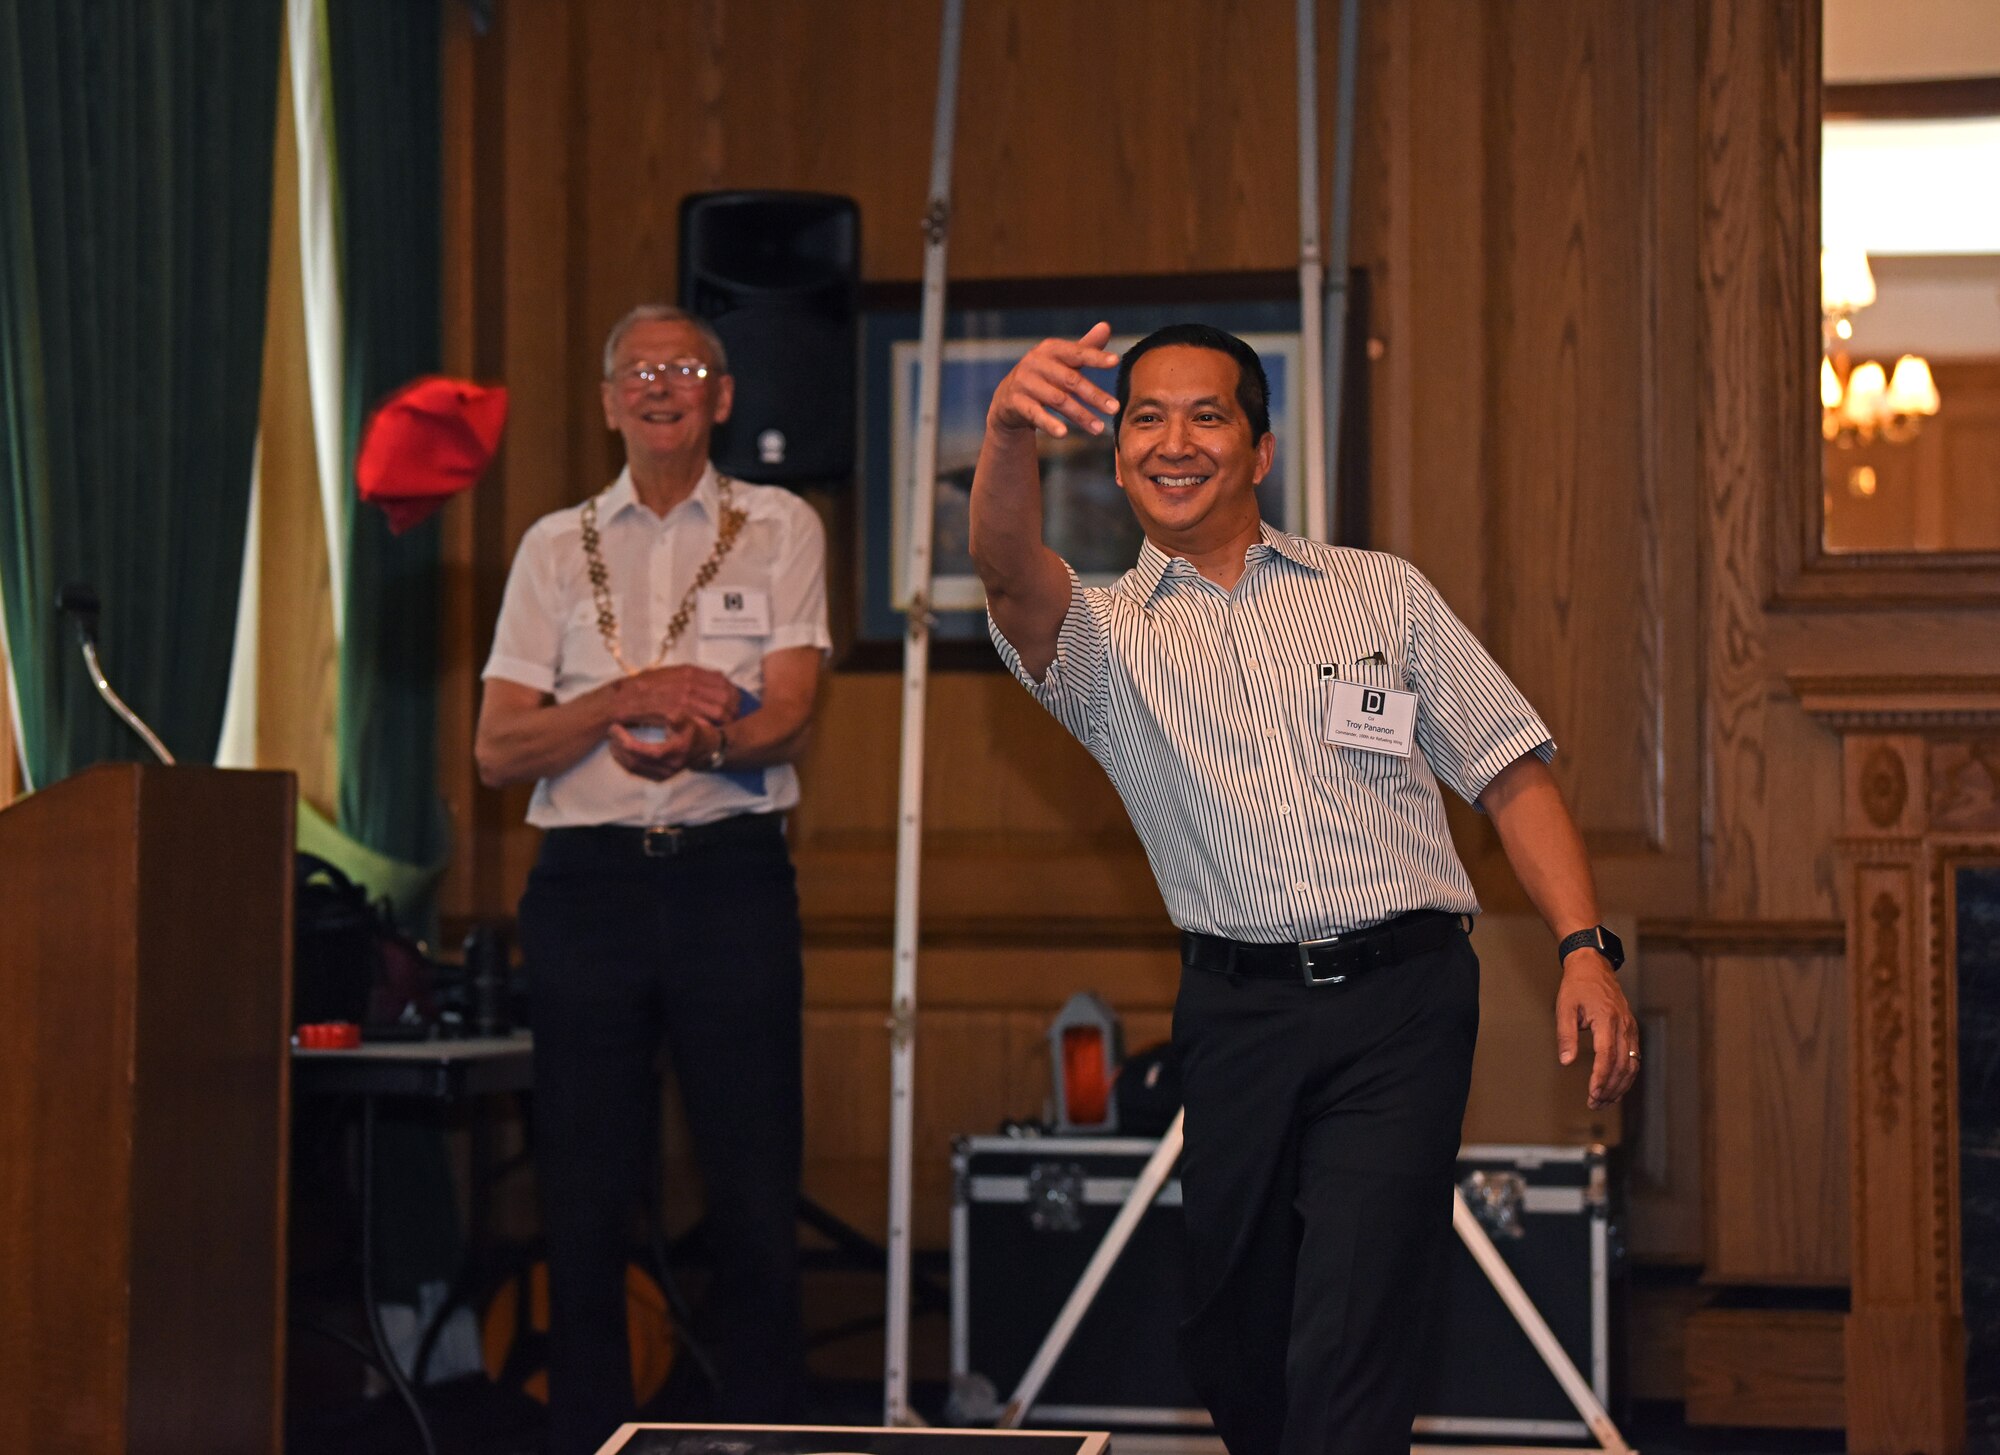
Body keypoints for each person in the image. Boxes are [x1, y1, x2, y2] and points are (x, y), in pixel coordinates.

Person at [969, 321, 1639, 1455]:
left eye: (1206, 414)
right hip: (1238, 1016)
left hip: (1402, 1002)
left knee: (1351, 1329)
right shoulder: (1095, 634)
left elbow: (1511, 778)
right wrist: (1002, 431)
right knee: (1235, 1329)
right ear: (1118, 453)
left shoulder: (1380, 595)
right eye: (1144, 417)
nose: (1173, 441)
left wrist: (1583, 948)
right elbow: (1002, 566)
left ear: (1259, 450)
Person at [475, 303, 828, 1454]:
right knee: (581, 1189)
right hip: (585, 893)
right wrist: (620, 701)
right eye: (636, 370)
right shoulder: (549, 546)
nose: (658, 386)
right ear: (607, 400)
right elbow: (495, 749)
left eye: (683, 369)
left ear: (721, 397)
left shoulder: (779, 527)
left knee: (752, 1185)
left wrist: (706, 741)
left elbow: (786, 714)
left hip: (729, 880)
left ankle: (763, 1438)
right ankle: (586, 1436)